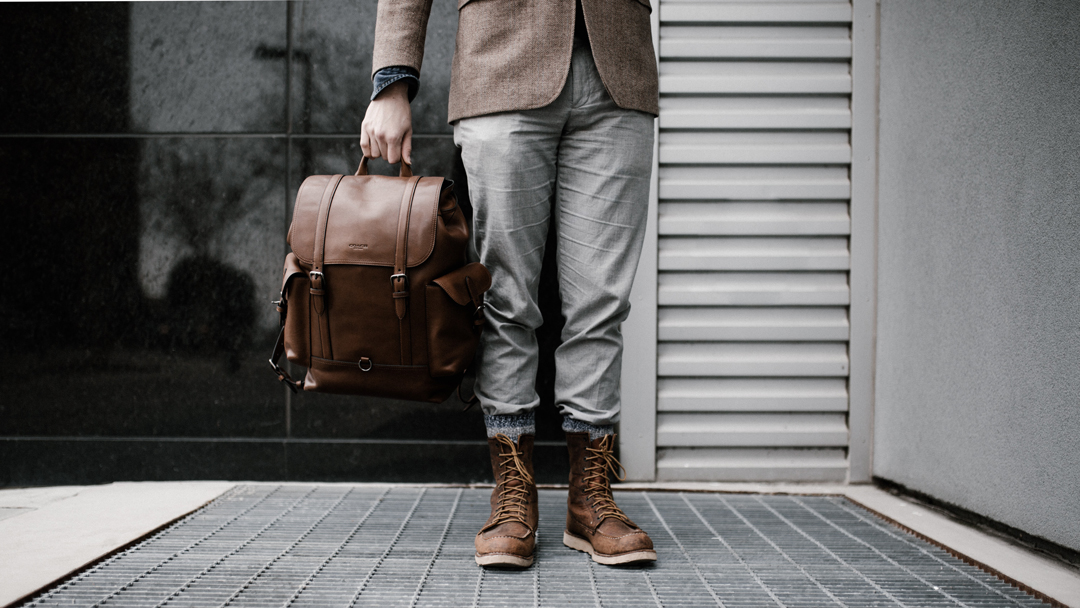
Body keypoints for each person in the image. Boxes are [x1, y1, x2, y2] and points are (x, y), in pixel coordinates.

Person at [361, 0, 658, 568]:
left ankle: (589, 497)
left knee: (603, 302)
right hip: (501, 68)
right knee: (503, 298)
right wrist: (391, 82)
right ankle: (512, 490)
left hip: (619, 68)